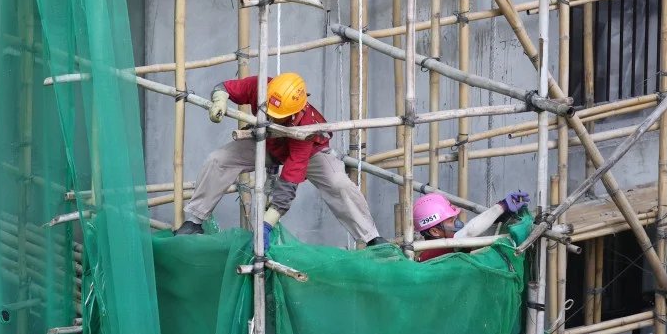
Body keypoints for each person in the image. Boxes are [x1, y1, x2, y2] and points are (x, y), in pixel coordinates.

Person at [172, 72, 385, 247]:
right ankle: (194, 220)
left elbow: (289, 182)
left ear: (295, 112)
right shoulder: (261, 86)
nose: (271, 115)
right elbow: (224, 86)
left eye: (277, 115)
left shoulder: (305, 128)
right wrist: (219, 100)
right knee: (218, 159)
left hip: (311, 153)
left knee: (339, 184)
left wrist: (266, 225)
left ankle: (371, 238)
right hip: (268, 142)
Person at [412, 190, 530, 262]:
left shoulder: (439, 247)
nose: (457, 223)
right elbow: (469, 232)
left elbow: (473, 229)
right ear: (434, 231)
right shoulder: (433, 253)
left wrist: (499, 218)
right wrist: (501, 206)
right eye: (451, 220)